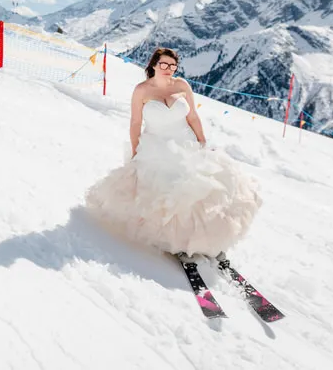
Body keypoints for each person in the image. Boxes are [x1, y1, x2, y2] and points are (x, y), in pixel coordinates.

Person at [84, 47, 262, 260]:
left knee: (199, 190)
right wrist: (134, 152)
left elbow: (193, 117)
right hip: (155, 146)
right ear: (154, 65)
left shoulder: (182, 85)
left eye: (172, 65)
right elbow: (135, 123)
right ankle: (174, 241)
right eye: (164, 64)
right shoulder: (141, 90)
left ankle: (203, 239)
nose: (168, 69)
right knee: (168, 191)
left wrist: (202, 142)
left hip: (186, 143)